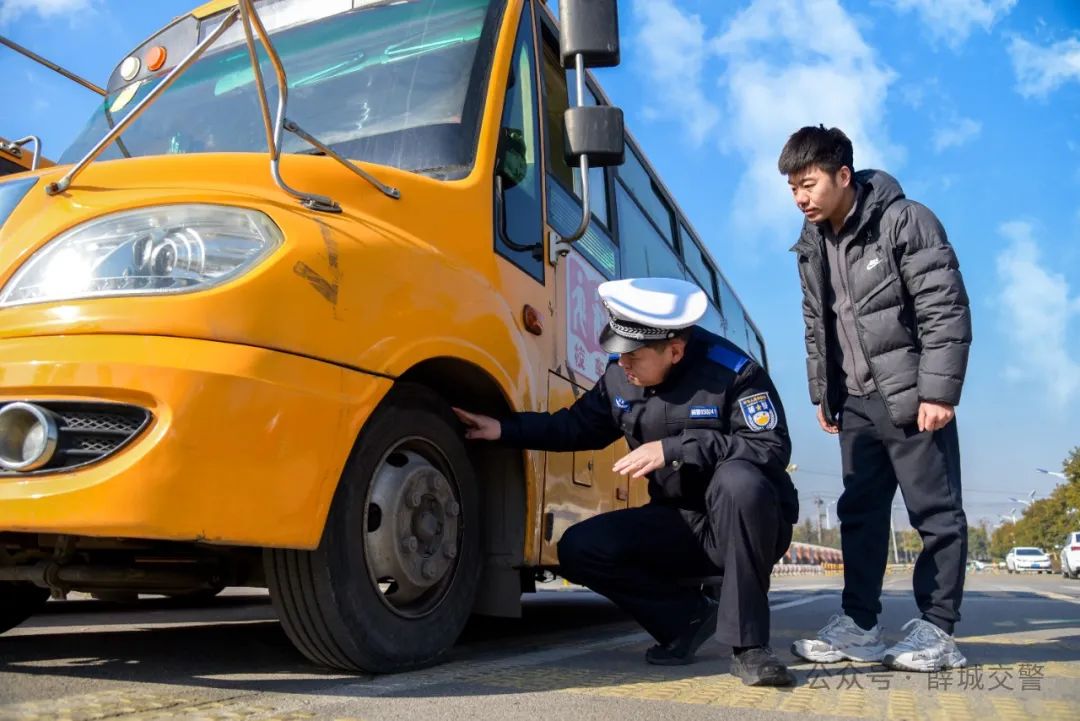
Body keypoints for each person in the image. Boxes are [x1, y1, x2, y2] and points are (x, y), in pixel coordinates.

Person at [453, 277, 800, 687]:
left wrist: (674, 448)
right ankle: (685, 618)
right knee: (580, 548)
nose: (622, 364)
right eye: (617, 353)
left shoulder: (734, 373)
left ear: (675, 350)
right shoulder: (620, 378)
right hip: (680, 523)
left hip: (746, 524)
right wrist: (502, 428)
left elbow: (769, 446)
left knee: (739, 480)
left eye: (633, 355)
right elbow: (574, 427)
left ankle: (750, 648)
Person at [778, 126, 972, 672]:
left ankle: (939, 630)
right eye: (792, 189)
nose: (800, 198)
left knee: (935, 514)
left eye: (809, 184)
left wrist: (938, 391)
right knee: (859, 515)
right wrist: (824, 391)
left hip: (911, 395)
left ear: (843, 175)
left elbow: (944, 307)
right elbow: (817, 324)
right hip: (856, 402)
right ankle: (859, 625)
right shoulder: (811, 243)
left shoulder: (905, 220)